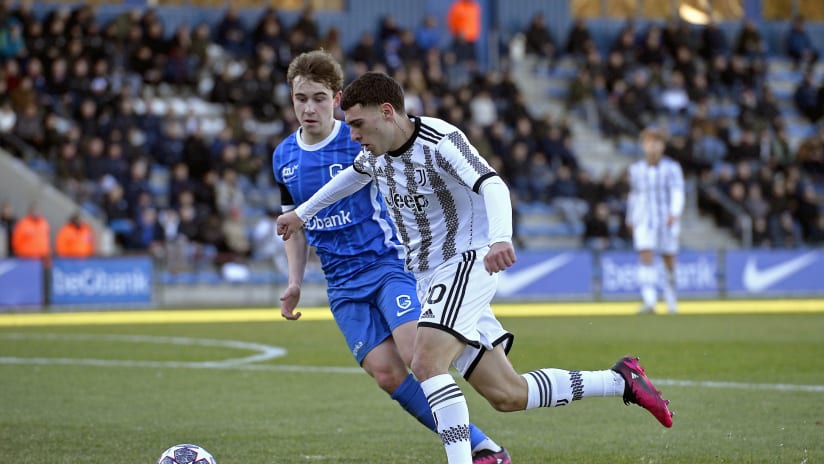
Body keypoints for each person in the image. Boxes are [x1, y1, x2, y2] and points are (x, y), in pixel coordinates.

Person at [278, 71, 674, 464]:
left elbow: (492, 184)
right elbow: (352, 177)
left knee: (426, 361)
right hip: (427, 276)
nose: (352, 136)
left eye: (358, 124)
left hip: (465, 261)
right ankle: (621, 380)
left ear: (386, 112)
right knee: (508, 394)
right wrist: (301, 214)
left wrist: (501, 238)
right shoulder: (376, 154)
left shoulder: (440, 140)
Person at [271, 51, 510, 464]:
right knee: (386, 374)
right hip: (341, 283)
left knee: (421, 355)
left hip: (387, 265)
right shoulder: (283, 157)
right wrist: (295, 281)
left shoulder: (362, 135)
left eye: (319, 98)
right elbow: (294, 225)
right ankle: (479, 443)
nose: (308, 108)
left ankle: (482, 390)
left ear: (337, 99)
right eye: (300, 98)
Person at [625, 127, 685, 314]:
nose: (652, 146)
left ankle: (671, 298)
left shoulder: (672, 168)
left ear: (662, 146)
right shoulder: (635, 169)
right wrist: (630, 218)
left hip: (667, 220)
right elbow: (634, 196)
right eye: (649, 142)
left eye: (656, 142)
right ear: (644, 146)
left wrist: (674, 213)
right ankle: (649, 300)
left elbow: (678, 192)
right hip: (644, 219)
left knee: (669, 260)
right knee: (645, 255)